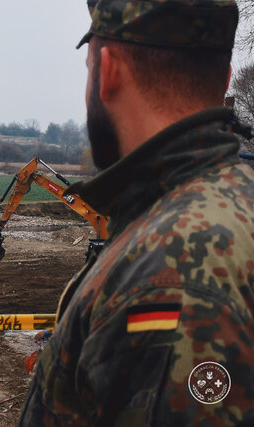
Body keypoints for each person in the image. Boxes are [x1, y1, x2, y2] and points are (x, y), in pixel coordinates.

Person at [20, 0, 254, 425]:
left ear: (106, 69)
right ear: (224, 79)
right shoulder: (240, 203)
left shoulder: (166, 276)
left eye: (87, 67)